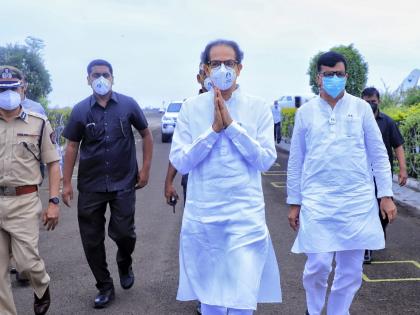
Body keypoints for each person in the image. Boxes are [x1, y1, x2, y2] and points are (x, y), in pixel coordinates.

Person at [170, 39, 281, 315]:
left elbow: (265, 160)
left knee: (242, 299)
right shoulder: (191, 108)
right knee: (212, 302)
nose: (222, 69)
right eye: (215, 63)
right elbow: (181, 161)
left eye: (228, 63)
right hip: (204, 219)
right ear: (206, 69)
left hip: (245, 219)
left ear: (240, 68)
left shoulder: (258, 108)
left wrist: (231, 128)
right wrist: (213, 131)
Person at [287, 51, 397, 315]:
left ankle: (338, 311)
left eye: (339, 74)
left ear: (346, 76)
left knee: (350, 271)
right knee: (318, 266)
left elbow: (378, 153)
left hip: (356, 201)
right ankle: (313, 311)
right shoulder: (306, 113)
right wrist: (294, 202)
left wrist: (386, 194)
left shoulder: (360, 109)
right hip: (317, 201)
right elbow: (296, 160)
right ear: (318, 77)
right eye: (328, 74)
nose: (334, 78)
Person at [61, 59, 153, 309]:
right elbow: (71, 146)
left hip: (124, 182)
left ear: (113, 77)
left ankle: (125, 260)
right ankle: (104, 286)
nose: (100, 79)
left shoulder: (128, 105)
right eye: (95, 75)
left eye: (105, 74)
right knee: (91, 239)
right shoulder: (80, 110)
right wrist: (66, 183)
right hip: (91, 185)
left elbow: (146, 134)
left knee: (124, 233)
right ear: (88, 79)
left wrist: (145, 168)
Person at [0, 65, 61, 315]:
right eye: (2, 89)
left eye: (12, 88)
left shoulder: (38, 122)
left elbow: (53, 163)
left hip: (24, 201)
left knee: (26, 264)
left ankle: (42, 284)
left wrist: (54, 202)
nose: (8, 93)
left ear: (23, 88)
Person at [361, 86, 407, 263]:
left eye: (373, 101)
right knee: (364, 209)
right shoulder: (354, 121)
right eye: (367, 102)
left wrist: (402, 169)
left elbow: (398, 145)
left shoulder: (387, 122)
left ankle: (376, 236)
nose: (370, 104)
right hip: (360, 175)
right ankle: (366, 246)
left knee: (383, 209)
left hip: (381, 174)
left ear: (378, 101)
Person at [164, 62, 211, 207]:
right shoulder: (189, 109)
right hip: (193, 179)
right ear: (199, 78)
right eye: (206, 74)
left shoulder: (235, 106)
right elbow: (179, 149)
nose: (211, 77)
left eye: (214, 73)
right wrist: (168, 182)